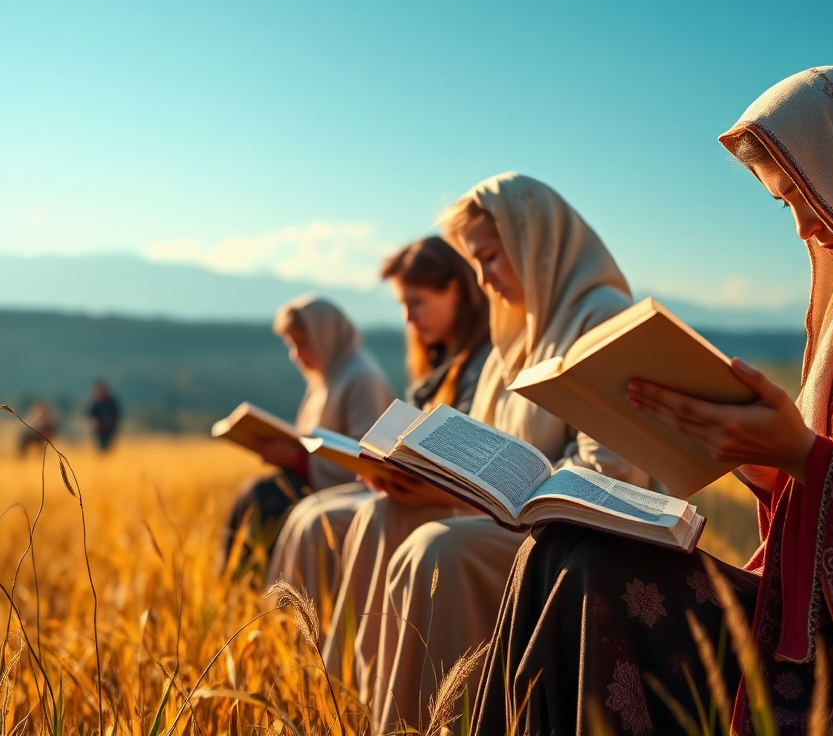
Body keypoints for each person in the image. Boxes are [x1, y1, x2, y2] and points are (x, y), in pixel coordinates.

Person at [471, 67, 833, 736]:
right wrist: (773, 472)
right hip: (821, 622)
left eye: (811, 195)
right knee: (559, 549)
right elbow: (828, 480)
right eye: (782, 203)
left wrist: (802, 456)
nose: (801, 230)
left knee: (590, 572)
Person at [324, 173, 648, 733]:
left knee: (438, 549)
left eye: (491, 257)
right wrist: (432, 476)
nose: (482, 278)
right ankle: (353, 708)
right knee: (385, 513)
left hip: (575, 539)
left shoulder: (602, 320)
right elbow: (484, 443)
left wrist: (511, 491)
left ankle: (436, 722)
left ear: (536, 243)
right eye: (474, 262)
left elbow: (613, 472)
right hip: (512, 520)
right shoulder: (514, 335)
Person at [268, 238, 491, 609]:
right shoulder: (436, 366)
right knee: (304, 513)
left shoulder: (482, 364)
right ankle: (290, 633)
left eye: (416, 302)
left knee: (319, 521)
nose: (407, 317)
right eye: (403, 304)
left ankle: (339, 644)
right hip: (414, 488)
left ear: (455, 290)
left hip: (450, 499)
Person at [223, 295, 393, 572]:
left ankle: (262, 596)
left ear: (325, 336)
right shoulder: (328, 377)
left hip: (349, 495)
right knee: (252, 494)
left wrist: (298, 460)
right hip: (316, 484)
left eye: (302, 343)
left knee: (264, 499)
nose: (295, 354)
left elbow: (369, 460)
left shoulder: (362, 379)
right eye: (291, 344)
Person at [87, 380, 121, 452]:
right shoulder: (95, 403)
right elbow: (90, 415)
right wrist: (96, 423)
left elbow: (116, 415)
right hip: (99, 430)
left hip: (109, 429)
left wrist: (110, 422)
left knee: (108, 447)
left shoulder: (111, 403)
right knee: (100, 447)